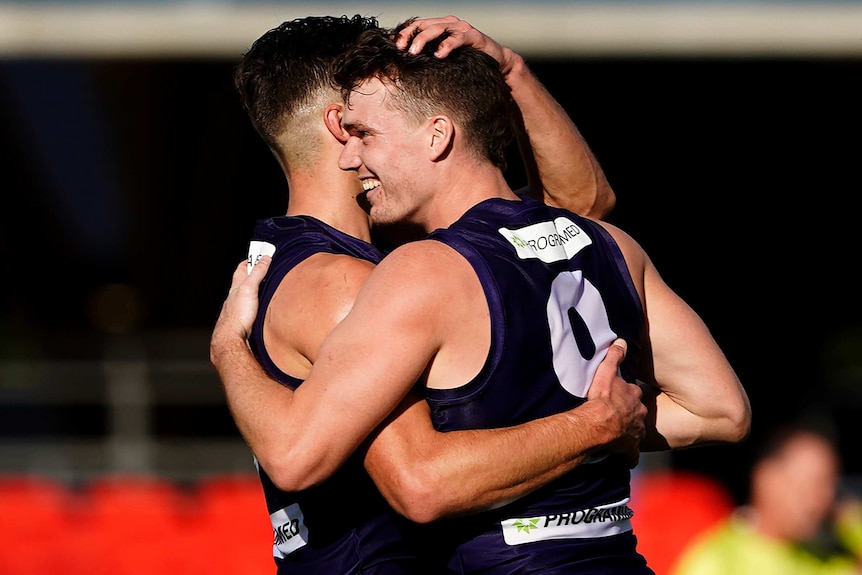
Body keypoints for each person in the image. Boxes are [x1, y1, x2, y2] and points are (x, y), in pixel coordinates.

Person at [211, 18, 751, 573]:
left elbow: (574, 210)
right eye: (359, 128)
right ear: (340, 124)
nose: (357, 156)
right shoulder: (356, 280)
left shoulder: (355, 261)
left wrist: (509, 71)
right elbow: (370, 473)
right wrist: (592, 425)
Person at [669, 419, 862, 575]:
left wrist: (849, 516)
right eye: (811, 485)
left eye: (830, 487)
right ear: (767, 479)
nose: (822, 499)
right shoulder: (717, 560)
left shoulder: (818, 562)